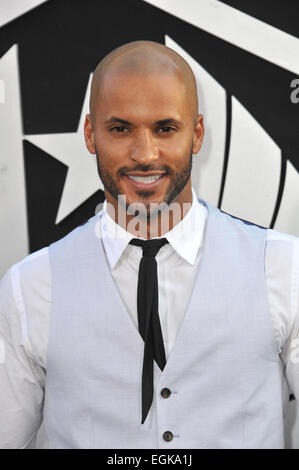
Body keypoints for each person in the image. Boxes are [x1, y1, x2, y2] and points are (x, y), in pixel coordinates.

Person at [0, 40, 298, 449]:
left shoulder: (284, 268)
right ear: (90, 134)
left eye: (165, 128)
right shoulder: (29, 287)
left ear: (197, 134)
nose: (144, 154)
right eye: (120, 129)